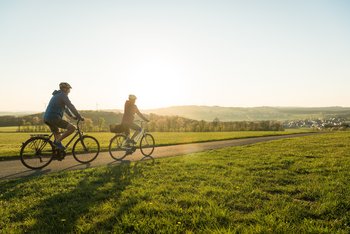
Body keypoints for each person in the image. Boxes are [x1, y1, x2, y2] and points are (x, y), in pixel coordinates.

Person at [43, 82, 84, 150]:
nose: (69, 91)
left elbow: (65, 108)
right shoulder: (63, 95)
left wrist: (72, 116)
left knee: (57, 133)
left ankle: (56, 152)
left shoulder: (57, 95)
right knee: (72, 128)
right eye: (68, 89)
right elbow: (70, 106)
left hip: (47, 118)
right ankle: (57, 142)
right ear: (65, 89)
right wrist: (79, 116)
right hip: (54, 118)